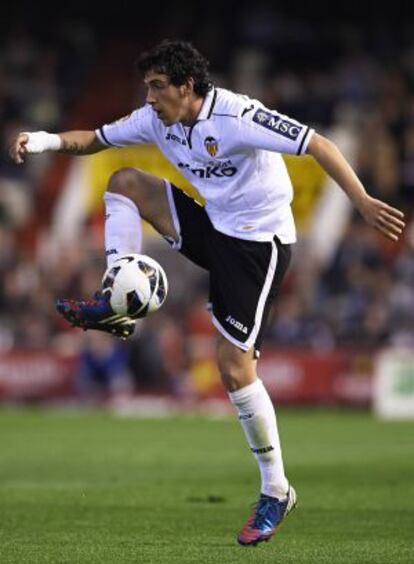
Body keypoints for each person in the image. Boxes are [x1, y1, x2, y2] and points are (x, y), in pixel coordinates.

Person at [9, 40, 405, 546]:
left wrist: (363, 201)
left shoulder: (239, 116)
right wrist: (41, 141)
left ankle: (276, 489)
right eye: (147, 87)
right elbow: (94, 138)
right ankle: (118, 289)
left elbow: (318, 144)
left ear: (186, 86)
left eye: (157, 87)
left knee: (234, 367)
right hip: (214, 223)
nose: (148, 98)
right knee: (125, 181)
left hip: (258, 245)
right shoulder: (157, 119)